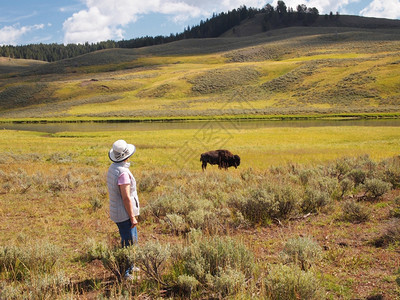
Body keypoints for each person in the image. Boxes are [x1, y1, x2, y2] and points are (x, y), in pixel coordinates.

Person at [107, 140, 140, 278]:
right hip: (125, 213)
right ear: (126, 155)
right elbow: (126, 197)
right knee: (129, 241)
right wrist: (132, 216)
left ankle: (131, 265)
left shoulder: (113, 168)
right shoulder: (123, 173)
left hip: (119, 211)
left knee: (129, 239)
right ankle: (126, 271)